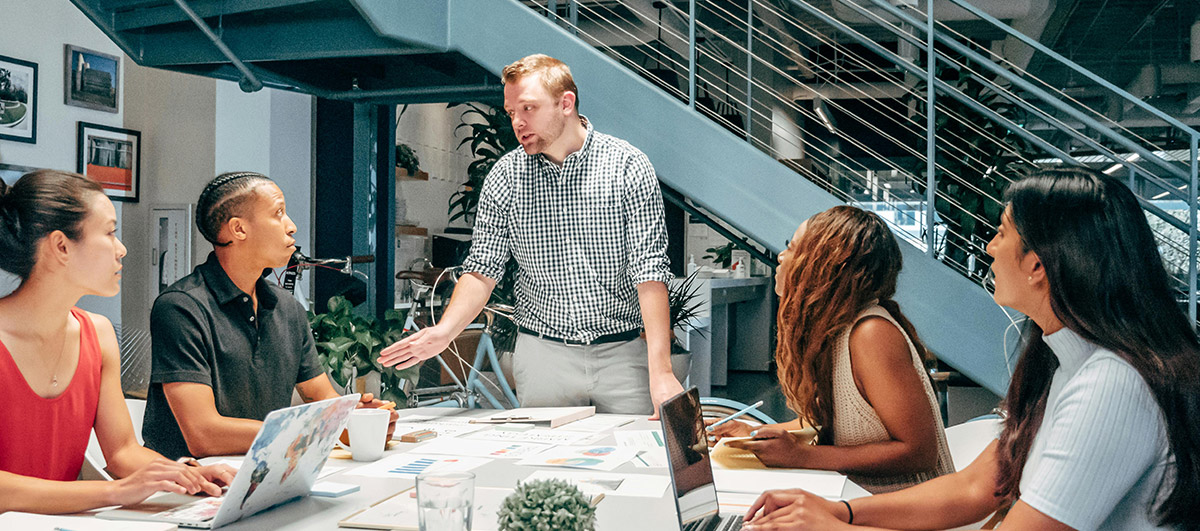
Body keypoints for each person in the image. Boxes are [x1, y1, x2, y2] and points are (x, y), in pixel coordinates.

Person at [739, 168, 1200, 530]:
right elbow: (976, 487)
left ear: (1038, 265)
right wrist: (840, 512)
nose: (990, 246)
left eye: (1002, 232)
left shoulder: (1110, 385)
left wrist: (834, 525)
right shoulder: (1062, 365)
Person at [378, 54, 683, 417]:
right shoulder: (506, 177)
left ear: (565, 103)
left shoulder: (627, 166)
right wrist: (445, 331)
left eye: (528, 108)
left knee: (636, 450)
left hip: (622, 354)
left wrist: (662, 371)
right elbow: (482, 269)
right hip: (543, 357)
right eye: (511, 112)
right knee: (544, 455)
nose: (517, 122)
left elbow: (649, 272)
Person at [0, 170, 234, 514]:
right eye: (110, 233)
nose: (122, 249)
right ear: (61, 246)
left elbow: (123, 451)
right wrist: (115, 491)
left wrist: (187, 475)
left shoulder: (99, 333)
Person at [142, 171, 396, 460]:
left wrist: (359, 420)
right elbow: (204, 435)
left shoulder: (286, 307)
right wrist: (308, 428)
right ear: (238, 229)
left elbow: (322, 396)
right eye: (278, 213)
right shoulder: (180, 308)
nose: (292, 227)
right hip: (189, 479)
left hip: (266, 470)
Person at [708, 205, 953, 494]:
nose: (781, 256)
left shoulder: (871, 334)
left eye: (793, 248)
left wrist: (802, 456)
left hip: (910, 509)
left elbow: (919, 452)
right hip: (858, 500)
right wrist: (753, 433)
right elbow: (829, 422)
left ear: (827, 265)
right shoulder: (834, 329)